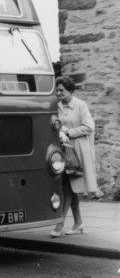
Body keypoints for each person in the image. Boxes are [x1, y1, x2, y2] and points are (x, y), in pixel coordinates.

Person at [50, 76, 100, 238]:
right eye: (57, 90)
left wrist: (68, 132)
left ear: (70, 90)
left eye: (62, 91)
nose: (58, 93)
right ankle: (78, 222)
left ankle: (60, 223)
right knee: (68, 186)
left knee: (69, 187)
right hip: (62, 152)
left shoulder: (80, 105)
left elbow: (88, 126)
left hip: (77, 151)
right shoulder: (56, 106)